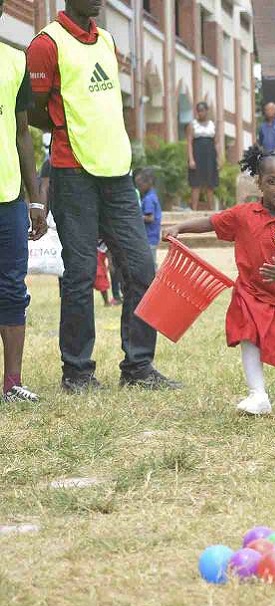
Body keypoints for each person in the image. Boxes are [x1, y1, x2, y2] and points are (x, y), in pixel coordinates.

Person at [28, 0, 178, 393]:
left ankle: (139, 367)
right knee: (79, 276)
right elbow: (35, 108)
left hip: (117, 175)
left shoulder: (108, 39)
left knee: (142, 270)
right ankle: (77, 373)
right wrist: (66, 127)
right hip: (73, 172)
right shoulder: (47, 43)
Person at [164, 146, 275, 416]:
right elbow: (211, 222)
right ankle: (258, 395)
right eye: (272, 181)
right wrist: (181, 227)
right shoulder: (243, 214)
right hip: (249, 292)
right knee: (249, 338)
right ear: (259, 182)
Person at [1, 9, 48, 403]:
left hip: (7, 196)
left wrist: (35, 200)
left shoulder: (16, 61)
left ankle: (12, 383)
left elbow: (23, 135)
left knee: (12, 289)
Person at [186, 102, 220, 211]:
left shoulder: (212, 125)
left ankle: (211, 209)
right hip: (197, 155)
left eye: (203, 110)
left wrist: (219, 158)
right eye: (199, 111)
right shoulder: (192, 125)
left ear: (207, 111)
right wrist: (191, 159)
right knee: (196, 184)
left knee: (210, 184)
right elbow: (189, 143)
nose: (201, 113)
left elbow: (217, 143)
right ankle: (194, 210)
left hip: (210, 156)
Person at [134, 168, 162, 266]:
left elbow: (150, 218)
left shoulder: (149, 199)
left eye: (140, 185)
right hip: (152, 236)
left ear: (148, 183)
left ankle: (154, 280)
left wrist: (135, 217)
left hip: (149, 236)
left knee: (150, 263)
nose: (139, 188)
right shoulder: (152, 195)